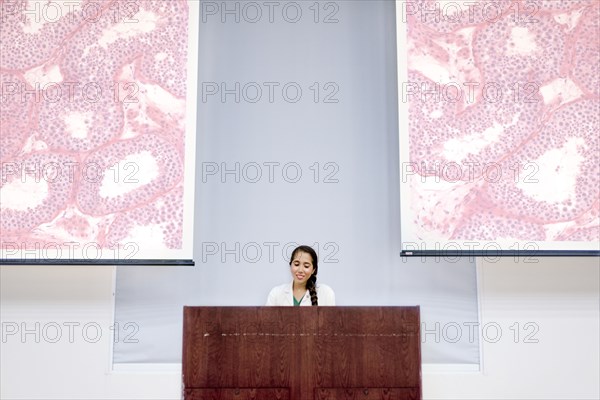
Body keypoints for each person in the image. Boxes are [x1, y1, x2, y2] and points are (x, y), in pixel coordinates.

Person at [266, 245, 335, 306]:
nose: (300, 270)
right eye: (296, 264)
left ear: (313, 270)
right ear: (290, 265)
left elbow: (331, 320)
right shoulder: (276, 293)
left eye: (306, 266)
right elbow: (267, 320)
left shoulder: (326, 293)